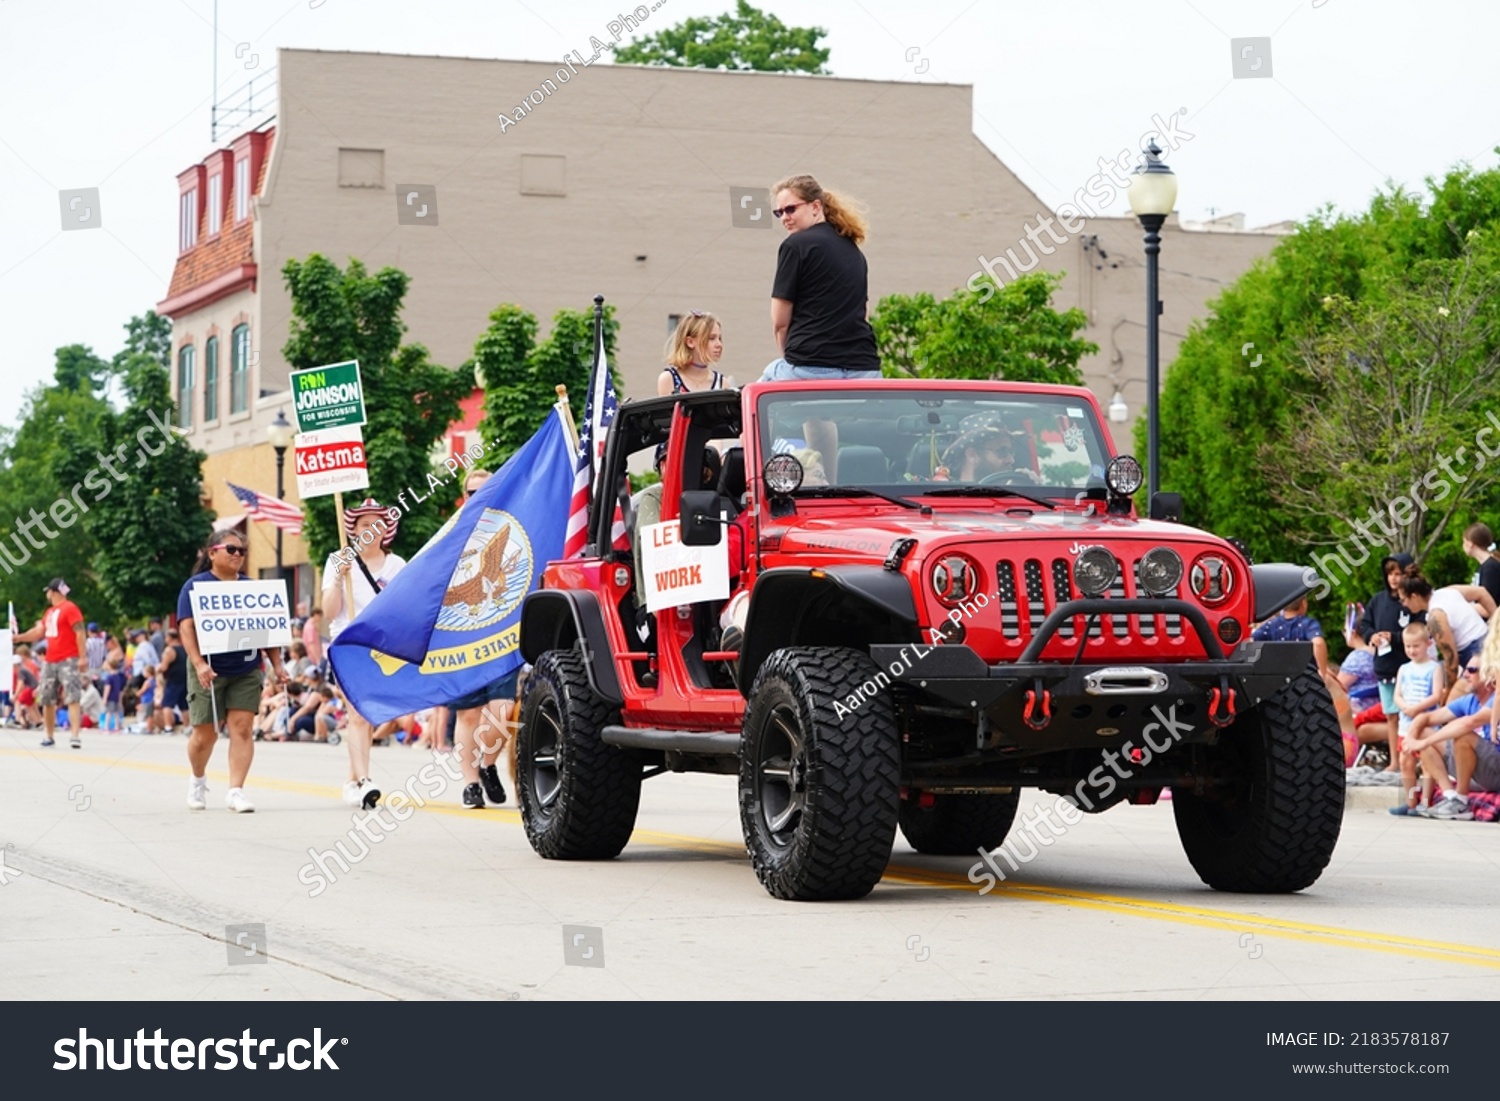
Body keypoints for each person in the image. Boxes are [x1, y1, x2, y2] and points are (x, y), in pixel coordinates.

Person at [761, 174, 882, 483]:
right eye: (779, 213)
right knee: (818, 417)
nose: (784, 218)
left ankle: (747, 483)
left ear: (816, 207)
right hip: (865, 373)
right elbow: (863, 312)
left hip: (812, 368)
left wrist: (793, 360)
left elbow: (779, 322)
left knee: (750, 401)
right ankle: (829, 483)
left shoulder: (796, 246)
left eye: (790, 209)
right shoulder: (855, 251)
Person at [179, 531, 289, 812]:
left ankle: (236, 790)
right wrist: (199, 663)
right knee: (206, 734)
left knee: (242, 728)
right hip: (209, 670)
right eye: (231, 549)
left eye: (242, 550)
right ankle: (198, 778)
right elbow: (186, 628)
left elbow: (268, 633)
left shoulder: (253, 588)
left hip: (246, 668)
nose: (238, 554)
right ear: (212, 553)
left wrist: (277, 665)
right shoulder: (195, 587)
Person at [322, 498, 407, 809]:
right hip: (347, 646)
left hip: (382, 650)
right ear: (353, 530)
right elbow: (330, 612)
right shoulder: (337, 560)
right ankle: (365, 781)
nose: (371, 529)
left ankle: (351, 779)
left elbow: (404, 611)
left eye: (377, 524)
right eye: (364, 525)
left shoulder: (397, 566)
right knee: (357, 714)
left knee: (367, 715)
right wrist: (336, 578)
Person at [1396, 651, 1497, 820]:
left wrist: (1425, 742)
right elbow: (1425, 717)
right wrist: (1412, 739)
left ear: (1490, 675)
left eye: (1472, 670)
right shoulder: (1469, 700)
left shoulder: (1496, 699)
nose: (1465, 674)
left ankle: (1461, 801)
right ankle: (1451, 797)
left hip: (1496, 770)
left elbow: (1468, 724)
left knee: (1463, 736)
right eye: (1465, 669)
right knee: (1422, 732)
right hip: (1478, 772)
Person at [1357, 552, 1417, 777]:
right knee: (1392, 716)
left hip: (1407, 667)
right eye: (1390, 573)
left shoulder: (1411, 602)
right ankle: (1394, 761)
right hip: (1384, 668)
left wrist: (1395, 637)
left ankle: (1412, 761)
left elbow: (1420, 630)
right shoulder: (1377, 600)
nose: (1394, 578)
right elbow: (1365, 625)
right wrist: (1372, 636)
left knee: (1410, 715)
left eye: (1399, 573)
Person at [14, 578, 89, 748]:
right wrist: (19, 638)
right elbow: (39, 632)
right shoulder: (49, 612)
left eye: (48, 591)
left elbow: (80, 632)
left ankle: (75, 735)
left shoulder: (70, 608)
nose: (47, 595)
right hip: (50, 659)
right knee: (47, 698)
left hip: (68, 657)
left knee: (72, 695)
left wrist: (82, 656)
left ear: (53, 592)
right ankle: (49, 735)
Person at [1389, 621, 1447, 816]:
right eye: (1408, 646)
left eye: (1416, 646)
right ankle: (1410, 801)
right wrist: (1405, 706)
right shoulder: (1404, 669)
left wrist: (1417, 709)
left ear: (1427, 644)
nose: (1412, 650)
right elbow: (1397, 695)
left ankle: (1425, 801)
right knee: (1406, 763)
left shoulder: (1434, 668)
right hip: (1406, 725)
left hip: (1425, 725)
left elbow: (1437, 695)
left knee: (1427, 763)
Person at [1396, 568, 1492, 685]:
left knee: (1455, 700)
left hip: (1474, 654)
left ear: (1414, 596)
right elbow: (1481, 592)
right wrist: (1495, 619)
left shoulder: (1435, 617)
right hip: (1488, 640)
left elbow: (1451, 660)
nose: (1403, 605)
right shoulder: (1449, 591)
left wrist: (1447, 690)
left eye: (1403, 600)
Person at [1250, 595, 1330, 678]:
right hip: (1304, 678)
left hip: (1277, 678)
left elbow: (1250, 641)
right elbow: (1318, 643)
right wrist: (1322, 672)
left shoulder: (1271, 625)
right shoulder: (1307, 624)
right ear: (1303, 603)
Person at [658, 311, 734, 395]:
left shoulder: (722, 384)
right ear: (690, 342)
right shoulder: (669, 379)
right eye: (711, 338)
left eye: (719, 338)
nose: (719, 344)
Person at [1462, 522, 1500, 607]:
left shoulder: (1490, 568)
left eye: (1464, 542)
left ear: (1470, 544)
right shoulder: (1485, 566)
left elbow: (1488, 607)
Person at [158, 628, 189, 734]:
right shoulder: (184, 649)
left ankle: (168, 728)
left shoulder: (169, 650)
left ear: (169, 638)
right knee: (184, 706)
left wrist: (157, 669)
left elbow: (164, 667)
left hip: (173, 681)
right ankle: (187, 727)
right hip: (185, 680)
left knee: (167, 704)